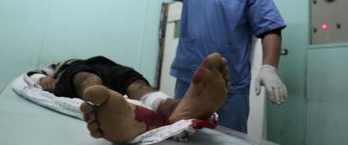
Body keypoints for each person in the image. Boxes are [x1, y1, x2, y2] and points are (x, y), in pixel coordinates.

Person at [132, 0, 288, 133]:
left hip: (231, 90)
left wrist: (269, 67)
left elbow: (270, 29)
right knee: (183, 134)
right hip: (189, 83)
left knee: (227, 138)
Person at [27, 53, 230, 143]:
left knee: (137, 85)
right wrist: (43, 78)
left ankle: (172, 108)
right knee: (88, 80)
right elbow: (33, 75)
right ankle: (112, 103)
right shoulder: (59, 66)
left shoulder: (82, 60)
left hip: (107, 64)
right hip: (79, 70)